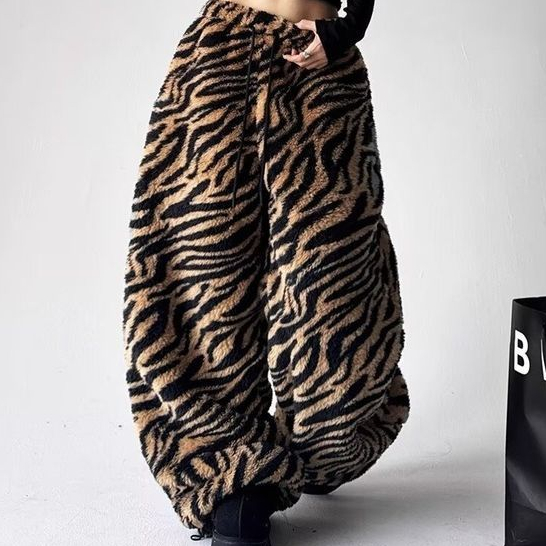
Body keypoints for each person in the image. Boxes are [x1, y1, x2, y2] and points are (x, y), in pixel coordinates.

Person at [122, 0, 410, 544]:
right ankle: (229, 468)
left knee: (333, 266)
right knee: (204, 264)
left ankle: (328, 435)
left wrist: (349, 27)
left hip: (319, 59)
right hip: (220, 54)